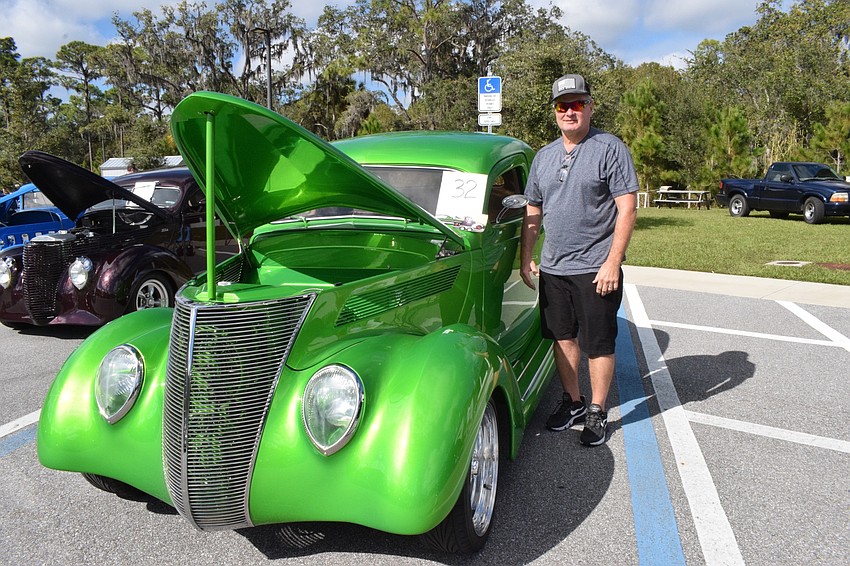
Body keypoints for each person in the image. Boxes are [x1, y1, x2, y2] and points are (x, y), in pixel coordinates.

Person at [520, 74, 639, 446]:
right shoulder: (543, 157)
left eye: (576, 104)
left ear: (589, 107)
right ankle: (573, 401)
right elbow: (533, 209)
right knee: (563, 337)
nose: (569, 112)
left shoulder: (609, 148)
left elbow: (627, 207)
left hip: (595, 267)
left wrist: (612, 261)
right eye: (562, 105)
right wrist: (527, 256)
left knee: (599, 343)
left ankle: (597, 411)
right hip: (554, 267)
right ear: (554, 112)